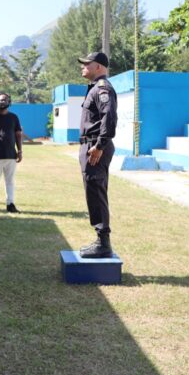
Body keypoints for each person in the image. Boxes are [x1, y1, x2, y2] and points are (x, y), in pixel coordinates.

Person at [77, 52, 117, 258]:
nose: (82, 67)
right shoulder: (94, 88)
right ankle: (100, 239)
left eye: (87, 64)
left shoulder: (102, 89)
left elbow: (109, 118)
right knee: (93, 190)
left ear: (99, 67)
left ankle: (103, 242)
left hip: (95, 147)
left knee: (96, 191)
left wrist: (100, 145)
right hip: (91, 145)